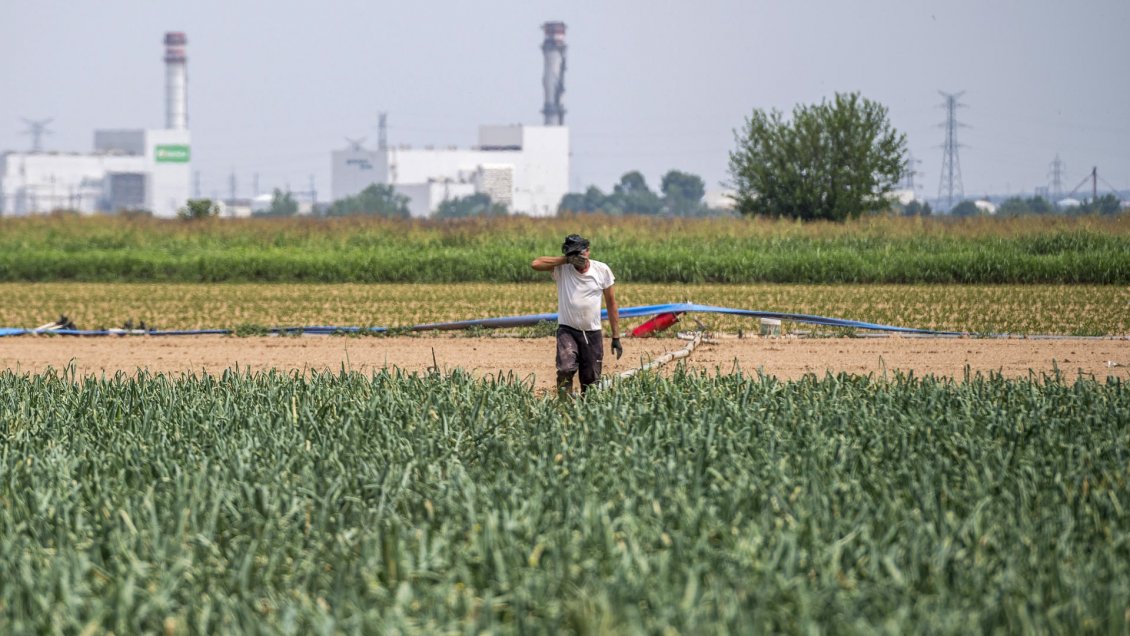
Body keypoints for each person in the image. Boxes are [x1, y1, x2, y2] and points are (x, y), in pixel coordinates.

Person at [531, 234, 622, 395]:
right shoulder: (563, 269)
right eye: (572, 254)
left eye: (579, 253)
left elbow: (611, 303)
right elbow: (536, 264)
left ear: (587, 251)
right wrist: (566, 260)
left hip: (592, 333)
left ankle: (585, 412)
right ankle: (564, 405)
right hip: (568, 330)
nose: (577, 258)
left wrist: (616, 337)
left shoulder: (602, 270)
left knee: (591, 383)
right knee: (565, 369)